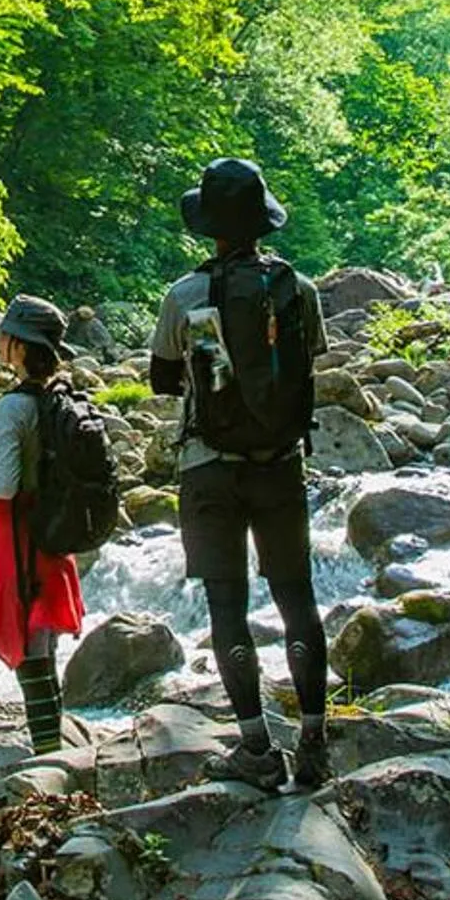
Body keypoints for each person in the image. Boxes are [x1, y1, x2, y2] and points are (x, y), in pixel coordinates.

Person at [149, 157, 332, 791]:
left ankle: (255, 746)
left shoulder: (185, 295)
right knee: (296, 599)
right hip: (281, 465)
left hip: (210, 471)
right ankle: (314, 740)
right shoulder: (297, 289)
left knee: (228, 606)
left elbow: (164, 378)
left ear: (209, 227)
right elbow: (306, 364)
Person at [0, 294, 87, 753]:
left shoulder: (14, 406)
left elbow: (6, 484)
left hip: (16, 533)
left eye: (4, 334)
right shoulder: (58, 393)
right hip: (50, 530)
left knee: (28, 645)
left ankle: (49, 754)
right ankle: (55, 749)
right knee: (43, 643)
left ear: (19, 346)